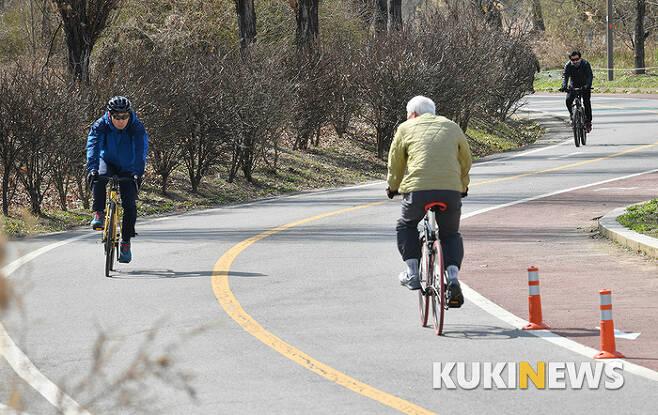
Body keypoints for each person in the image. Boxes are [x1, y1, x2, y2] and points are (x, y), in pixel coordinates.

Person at [386, 96, 471, 308]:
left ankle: (412, 272)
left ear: (413, 114)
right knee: (450, 233)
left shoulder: (406, 128)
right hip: (450, 191)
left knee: (405, 225)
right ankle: (452, 277)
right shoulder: (451, 126)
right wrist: (463, 185)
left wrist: (392, 186)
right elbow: (466, 160)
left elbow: (395, 162)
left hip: (418, 191)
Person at [86, 96, 148, 264]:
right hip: (107, 160)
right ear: (110, 115)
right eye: (117, 117)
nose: (121, 121)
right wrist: (91, 168)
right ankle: (99, 213)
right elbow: (93, 145)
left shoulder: (136, 127)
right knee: (98, 176)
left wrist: (137, 172)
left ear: (130, 115)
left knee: (129, 204)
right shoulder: (100, 125)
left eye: (125, 116)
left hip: (128, 166)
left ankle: (126, 242)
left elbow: (141, 150)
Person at [559, 50, 593, 133]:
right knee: (568, 100)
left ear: (580, 58)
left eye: (576, 59)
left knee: (586, 102)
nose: (575, 61)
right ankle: (572, 114)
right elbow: (565, 76)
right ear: (570, 60)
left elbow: (589, 76)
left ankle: (588, 122)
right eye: (572, 60)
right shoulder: (568, 65)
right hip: (573, 85)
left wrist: (587, 86)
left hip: (584, 85)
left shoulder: (585, 64)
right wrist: (564, 86)